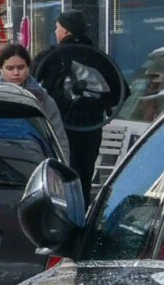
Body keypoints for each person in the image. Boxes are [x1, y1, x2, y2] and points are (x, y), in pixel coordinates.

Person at [31, 11, 126, 181]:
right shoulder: (98, 57)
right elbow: (121, 92)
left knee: (62, 173)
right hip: (91, 127)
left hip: (58, 125)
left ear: (66, 31)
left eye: (57, 27)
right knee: (85, 174)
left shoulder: (50, 56)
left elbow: (32, 84)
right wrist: (98, 106)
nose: (55, 31)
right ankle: (84, 206)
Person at [0, 42, 62, 137]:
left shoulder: (42, 98)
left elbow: (58, 135)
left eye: (21, 67)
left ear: (28, 67)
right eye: (10, 68)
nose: (16, 73)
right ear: (1, 69)